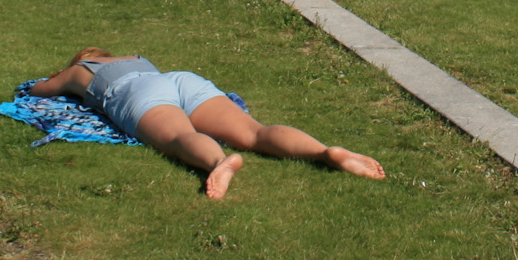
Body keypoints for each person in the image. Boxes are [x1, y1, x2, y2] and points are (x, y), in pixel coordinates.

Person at [29, 47, 386, 198]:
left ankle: (219, 163)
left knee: (179, 135)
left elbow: (42, 89)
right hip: (181, 79)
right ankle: (325, 152)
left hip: (137, 92)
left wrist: (60, 76)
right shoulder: (136, 55)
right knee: (254, 132)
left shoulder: (82, 70)